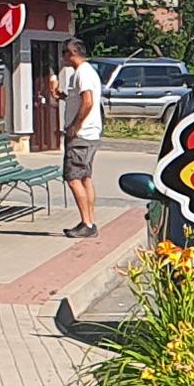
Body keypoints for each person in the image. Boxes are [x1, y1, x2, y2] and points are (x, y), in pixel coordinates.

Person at [54, 38, 107, 238]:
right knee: (85, 177)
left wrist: (75, 126)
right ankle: (89, 220)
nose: (62, 57)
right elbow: (76, 99)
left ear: (72, 52)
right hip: (91, 134)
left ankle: (87, 223)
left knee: (73, 177)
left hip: (82, 135)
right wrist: (60, 95)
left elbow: (88, 101)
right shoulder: (86, 72)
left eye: (63, 52)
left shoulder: (83, 72)